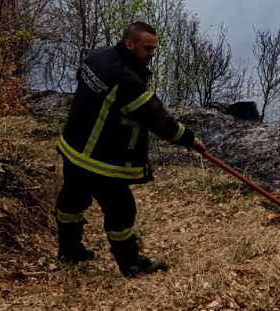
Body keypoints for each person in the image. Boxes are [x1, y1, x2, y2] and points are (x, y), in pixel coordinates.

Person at [54, 21, 207, 277]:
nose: (151, 56)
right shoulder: (127, 81)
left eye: (153, 50)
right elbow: (159, 120)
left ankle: (69, 250)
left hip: (73, 148)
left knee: (72, 201)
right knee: (122, 210)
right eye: (147, 49)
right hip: (99, 161)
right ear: (130, 43)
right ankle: (131, 264)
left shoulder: (97, 55)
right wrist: (189, 140)